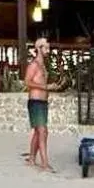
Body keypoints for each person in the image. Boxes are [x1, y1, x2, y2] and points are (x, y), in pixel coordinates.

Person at [23, 37, 64, 172]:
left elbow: (43, 85)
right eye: (46, 47)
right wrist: (46, 87)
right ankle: (45, 163)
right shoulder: (34, 65)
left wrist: (53, 87)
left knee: (38, 131)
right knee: (43, 131)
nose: (48, 50)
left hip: (43, 102)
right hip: (35, 102)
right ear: (39, 48)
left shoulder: (43, 66)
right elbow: (27, 82)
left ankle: (32, 159)